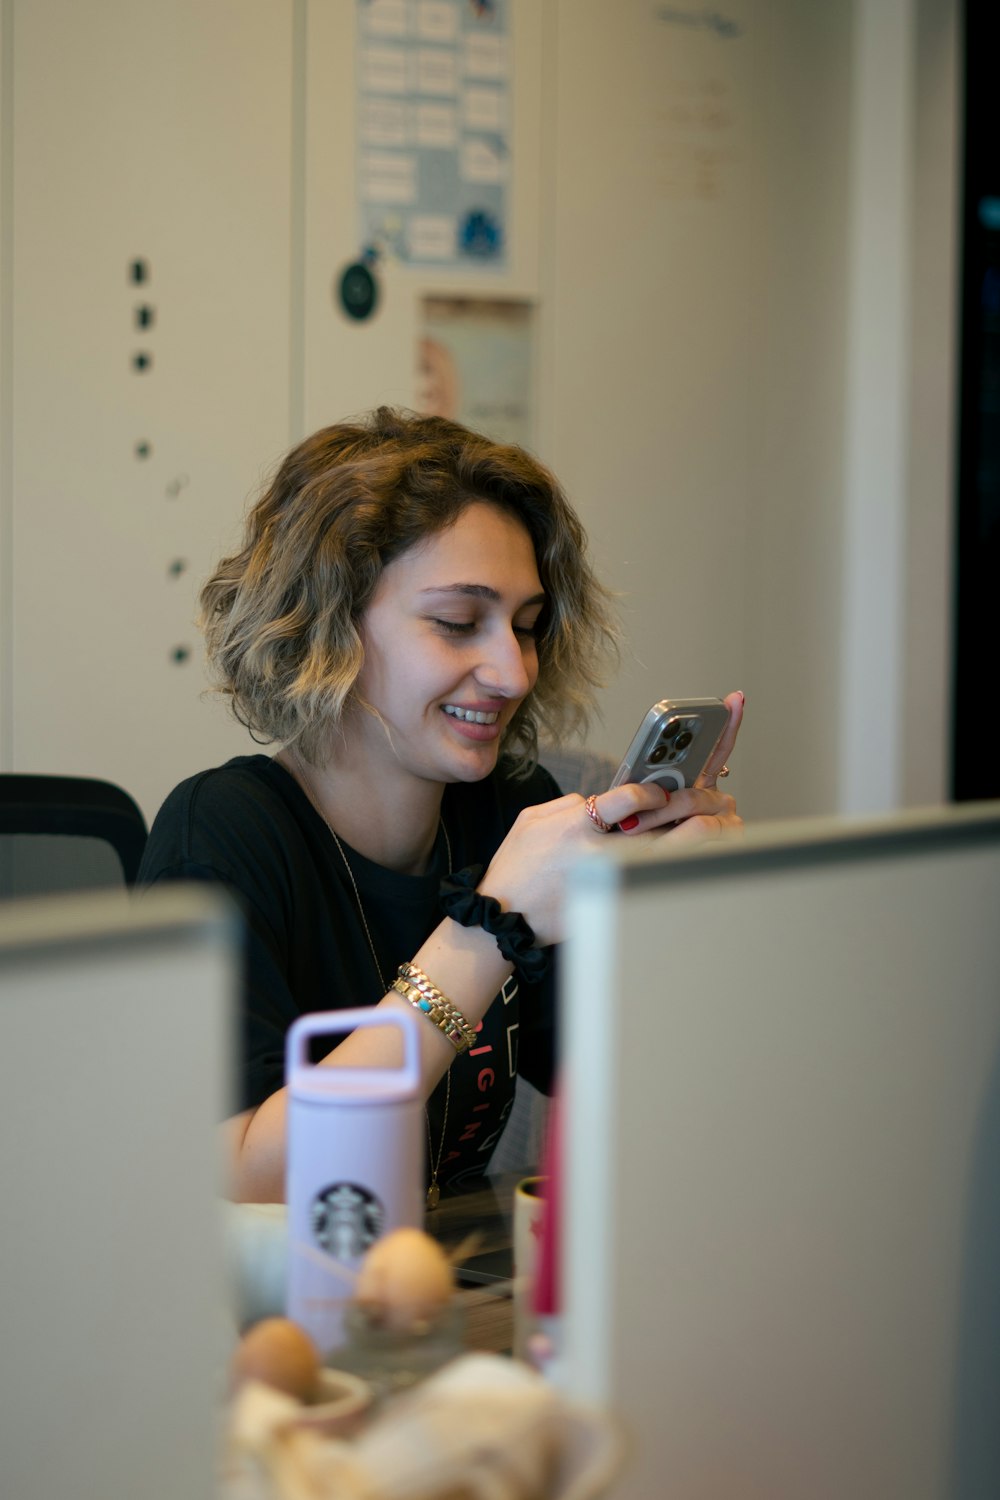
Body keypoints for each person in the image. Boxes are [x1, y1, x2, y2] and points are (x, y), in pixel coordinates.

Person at [138, 408, 743, 1204]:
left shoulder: (509, 810)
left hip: (445, 1299)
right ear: (330, 629)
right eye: (459, 623)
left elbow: (653, 1112)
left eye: (526, 627)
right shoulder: (221, 836)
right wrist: (489, 925)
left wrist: (697, 932)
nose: (513, 672)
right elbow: (245, 1180)